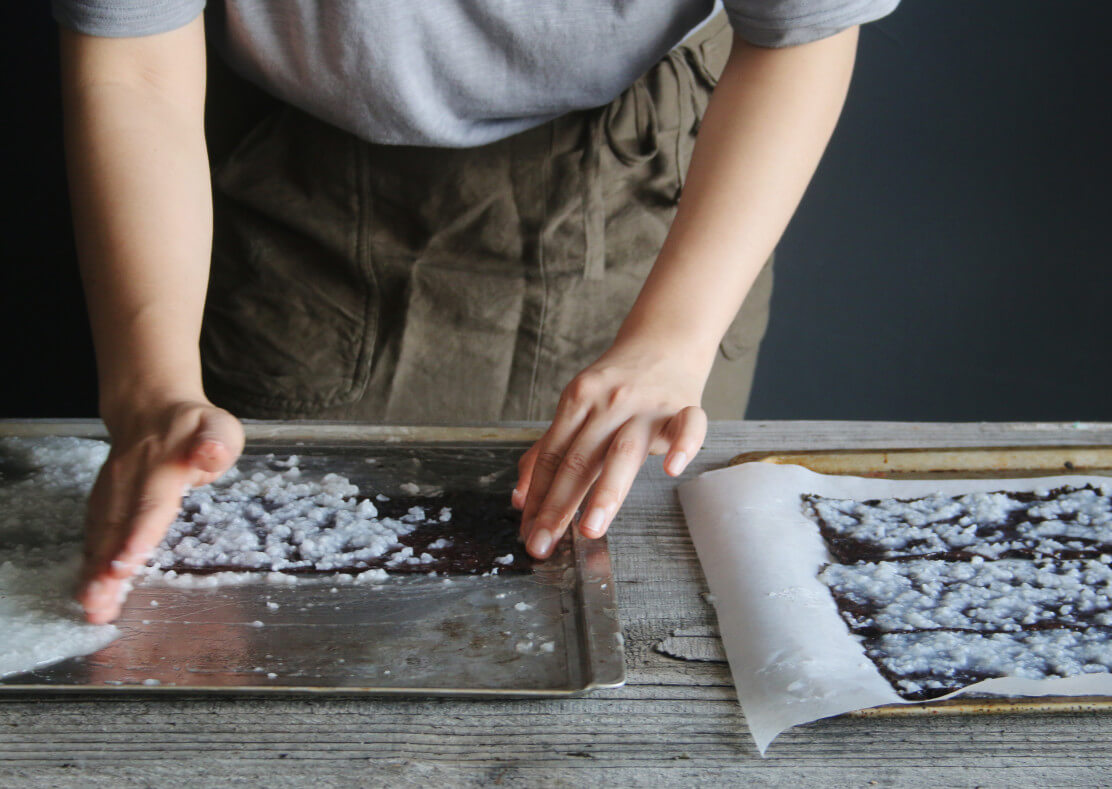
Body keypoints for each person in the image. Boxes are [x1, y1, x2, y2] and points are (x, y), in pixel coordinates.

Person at [55, 0, 899, 623]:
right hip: (295, 181)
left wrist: (671, 340)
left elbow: (805, 27)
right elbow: (134, 65)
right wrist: (151, 393)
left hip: (658, 185)